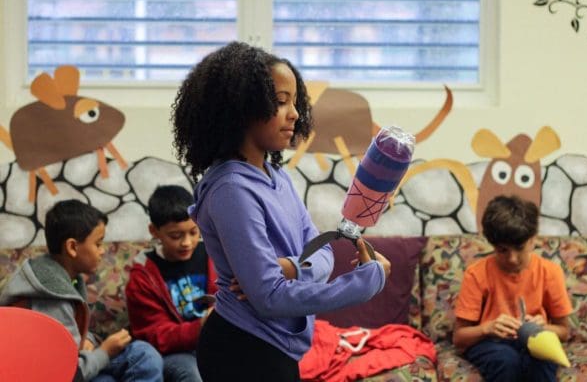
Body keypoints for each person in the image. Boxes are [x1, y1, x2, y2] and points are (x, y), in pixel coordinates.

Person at [171, 41, 392, 382]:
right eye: (280, 102)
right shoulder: (232, 190)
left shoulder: (279, 178)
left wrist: (290, 266)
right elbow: (271, 298)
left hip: (274, 347)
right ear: (242, 108)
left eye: (294, 102)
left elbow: (323, 252)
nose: (295, 114)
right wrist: (365, 282)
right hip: (243, 349)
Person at [0, 199, 163, 382]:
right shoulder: (50, 295)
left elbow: (74, 337)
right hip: (65, 372)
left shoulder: (63, 278)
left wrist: (90, 341)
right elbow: (63, 371)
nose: (103, 251)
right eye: (98, 243)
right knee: (143, 356)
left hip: (78, 364)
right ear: (72, 247)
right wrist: (105, 351)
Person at [453, 195, 573, 381]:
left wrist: (545, 328)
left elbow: (564, 332)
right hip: (490, 343)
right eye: (502, 250)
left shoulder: (550, 272)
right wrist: (487, 328)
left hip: (535, 340)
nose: (512, 259)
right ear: (493, 245)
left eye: (519, 247)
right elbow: (459, 338)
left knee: (541, 362)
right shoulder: (476, 274)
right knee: (506, 360)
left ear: (533, 240)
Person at [125, 185, 217, 382]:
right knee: (193, 375)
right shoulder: (143, 276)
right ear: (154, 231)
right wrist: (200, 327)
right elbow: (153, 335)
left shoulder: (214, 255)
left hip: (217, 343)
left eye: (194, 232)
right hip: (174, 353)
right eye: (175, 236)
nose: (187, 242)